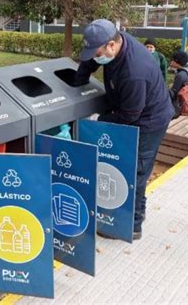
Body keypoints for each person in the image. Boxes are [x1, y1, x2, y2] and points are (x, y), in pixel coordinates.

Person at [73, 19, 174, 240]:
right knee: (132, 167)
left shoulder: (134, 71)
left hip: (150, 120)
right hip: (132, 107)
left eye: (97, 51)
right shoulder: (116, 43)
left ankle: (133, 226)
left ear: (111, 45)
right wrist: (76, 84)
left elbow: (130, 115)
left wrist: (100, 119)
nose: (94, 56)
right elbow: (91, 62)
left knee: (137, 170)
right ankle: (138, 211)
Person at [169, 50, 188, 118]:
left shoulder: (180, 75)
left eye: (172, 60)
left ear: (177, 62)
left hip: (179, 107)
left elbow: (173, 94)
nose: (171, 62)